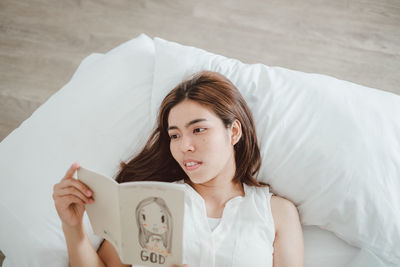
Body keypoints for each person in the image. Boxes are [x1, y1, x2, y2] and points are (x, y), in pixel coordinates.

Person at [53, 71, 304, 267]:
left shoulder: (277, 213)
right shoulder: (147, 200)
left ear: (234, 131)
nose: (184, 146)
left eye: (198, 129)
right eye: (174, 135)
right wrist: (73, 228)